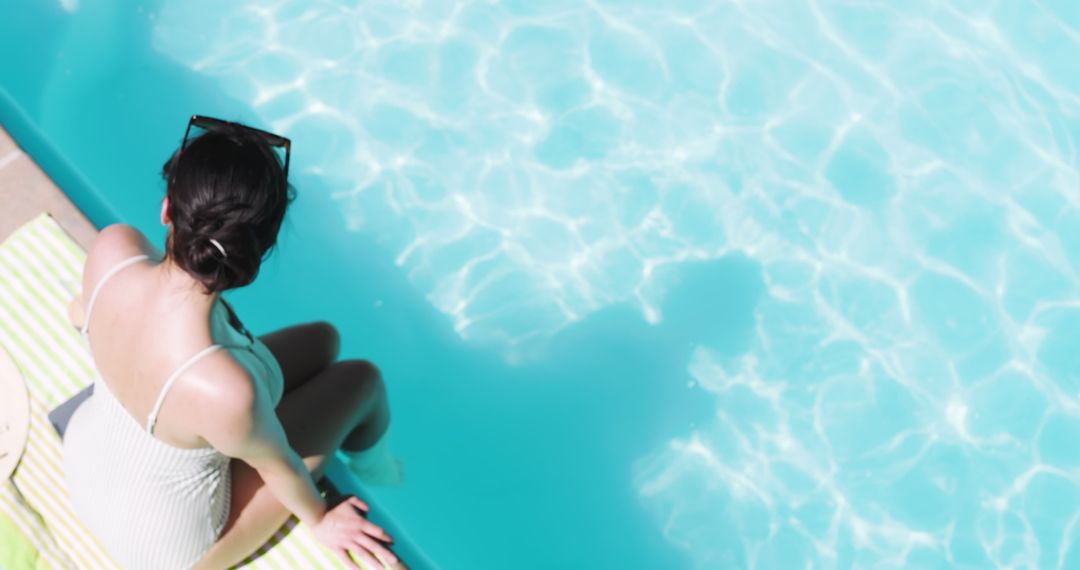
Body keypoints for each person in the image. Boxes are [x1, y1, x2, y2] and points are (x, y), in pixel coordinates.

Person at [61, 117, 402, 570]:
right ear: (257, 252)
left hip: (86, 460)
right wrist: (320, 520)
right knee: (362, 379)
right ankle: (381, 471)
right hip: (164, 547)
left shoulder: (112, 249)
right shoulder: (224, 388)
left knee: (325, 340)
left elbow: (79, 313)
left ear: (167, 209)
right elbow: (280, 468)